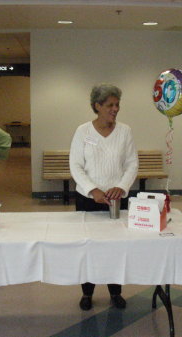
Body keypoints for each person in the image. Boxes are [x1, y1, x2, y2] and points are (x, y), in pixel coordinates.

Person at [69, 83, 138, 311]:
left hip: (116, 200)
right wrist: (92, 189)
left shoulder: (125, 131)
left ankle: (115, 292)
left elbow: (131, 164)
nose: (115, 109)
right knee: (87, 247)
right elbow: (76, 166)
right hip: (88, 200)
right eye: (110, 105)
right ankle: (87, 293)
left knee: (115, 247)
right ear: (97, 106)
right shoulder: (83, 131)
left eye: (117, 104)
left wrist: (121, 186)